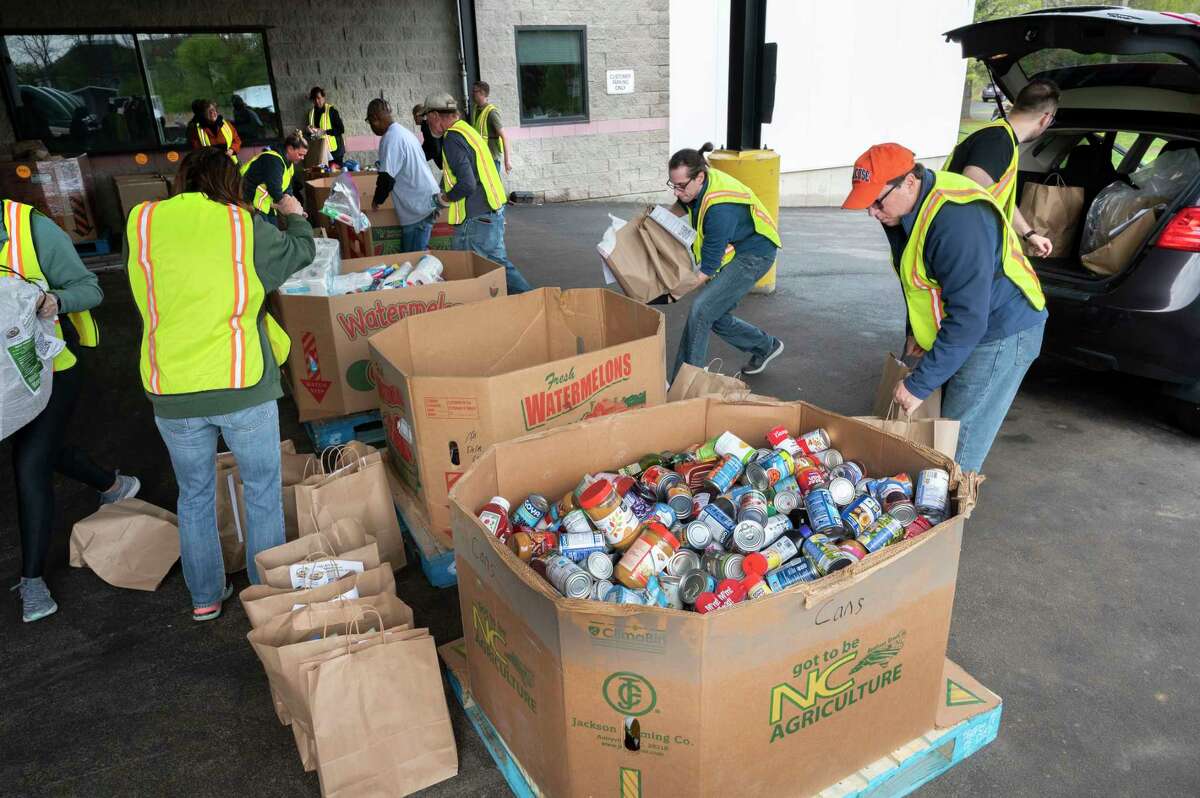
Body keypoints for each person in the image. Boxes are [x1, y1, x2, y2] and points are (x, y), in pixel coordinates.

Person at [125, 147, 315, 621]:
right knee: (261, 491)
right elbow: (300, 253)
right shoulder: (241, 226)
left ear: (181, 180)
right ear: (231, 183)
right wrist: (294, 215)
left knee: (193, 496)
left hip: (171, 387)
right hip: (240, 381)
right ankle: (267, 599)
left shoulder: (142, 222)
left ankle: (205, 598)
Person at [842, 143, 1048, 473]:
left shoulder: (955, 222)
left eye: (877, 200)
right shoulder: (905, 211)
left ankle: (947, 516)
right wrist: (917, 333)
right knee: (940, 428)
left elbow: (969, 318)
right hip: (972, 322)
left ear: (910, 181)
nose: (872, 212)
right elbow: (920, 281)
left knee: (957, 443)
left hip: (1000, 331)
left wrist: (918, 384)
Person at [3, 199, 139, 623]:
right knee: (44, 450)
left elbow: (90, 289)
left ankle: (33, 581)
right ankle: (111, 485)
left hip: (50, 370)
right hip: (5, 381)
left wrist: (53, 301)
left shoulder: (30, 228)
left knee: (30, 465)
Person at [667, 143, 784, 380]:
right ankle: (766, 346)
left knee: (701, 310)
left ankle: (687, 382)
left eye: (680, 186)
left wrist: (672, 292)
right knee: (714, 315)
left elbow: (707, 269)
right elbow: (683, 204)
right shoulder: (699, 184)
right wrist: (658, 219)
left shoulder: (720, 210)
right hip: (738, 249)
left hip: (755, 254)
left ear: (699, 177)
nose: (677, 192)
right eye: (673, 185)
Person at [423, 92, 531, 294]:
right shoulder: (467, 130)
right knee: (498, 269)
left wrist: (444, 199)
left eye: (427, 117)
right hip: (491, 212)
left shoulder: (452, 138)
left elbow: (467, 183)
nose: (426, 123)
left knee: (481, 272)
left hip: (475, 219)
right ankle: (532, 303)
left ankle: (537, 301)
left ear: (436, 116)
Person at [945, 79, 1060, 258]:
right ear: (1046, 118)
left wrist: (1030, 234)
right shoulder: (998, 142)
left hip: (966, 245)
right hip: (960, 248)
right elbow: (966, 194)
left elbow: (997, 198)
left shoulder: (1002, 138)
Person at [366, 99, 440, 252]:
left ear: (375, 119)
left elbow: (386, 178)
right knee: (411, 257)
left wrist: (376, 202)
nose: (372, 127)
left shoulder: (390, 139)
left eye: (370, 122)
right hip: (424, 201)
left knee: (414, 259)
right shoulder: (402, 132)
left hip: (418, 208)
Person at [239, 130, 309, 222]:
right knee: (267, 233)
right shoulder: (273, 160)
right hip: (253, 203)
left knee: (273, 230)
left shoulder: (289, 164)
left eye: (304, 155)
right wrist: (294, 210)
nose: (302, 158)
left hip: (266, 204)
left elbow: (288, 189)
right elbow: (275, 190)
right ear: (290, 149)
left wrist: (298, 209)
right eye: (300, 154)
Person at [470, 81, 511, 174]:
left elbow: (504, 137)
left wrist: (507, 161)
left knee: (494, 187)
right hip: (480, 157)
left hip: (491, 159)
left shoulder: (492, 113)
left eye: (474, 91)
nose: (472, 94)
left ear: (482, 93)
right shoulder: (475, 109)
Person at [306, 86, 345, 167]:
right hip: (321, 151)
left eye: (319, 98)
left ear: (323, 97)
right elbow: (313, 134)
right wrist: (309, 132)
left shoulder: (332, 111)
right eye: (314, 99)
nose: (317, 101)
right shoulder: (311, 113)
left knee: (337, 176)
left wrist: (324, 131)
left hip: (335, 151)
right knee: (325, 176)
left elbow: (341, 129)